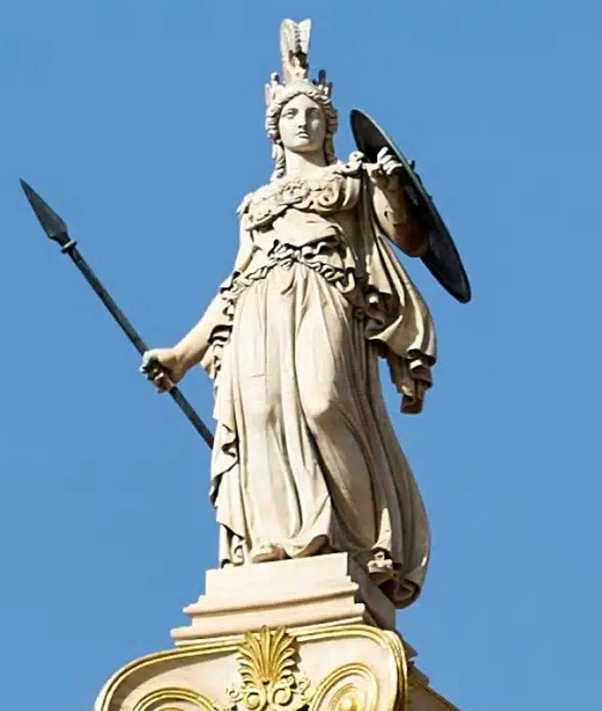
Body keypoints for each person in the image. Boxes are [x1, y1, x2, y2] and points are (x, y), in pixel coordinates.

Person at [141, 19, 436, 607]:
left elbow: (409, 237)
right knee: (263, 413)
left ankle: (364, 542)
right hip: (260, 306)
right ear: (275, 131)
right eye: (289, 116)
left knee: (325, 403)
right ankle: (278, 539)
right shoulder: (257, 203)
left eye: (312, 115)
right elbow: (233, 284)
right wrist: (181, 353)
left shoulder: (349, 181)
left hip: (325, 293)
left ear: (328, 126)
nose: (301, 123)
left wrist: (394, 186)